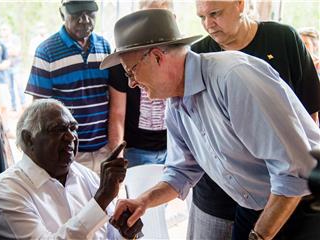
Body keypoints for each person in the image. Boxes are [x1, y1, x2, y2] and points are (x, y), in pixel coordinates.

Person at [100, 9, 320, 240]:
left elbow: (294, 171)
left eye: (131, 72)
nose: (132, 83)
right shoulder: (175, 105)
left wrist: (258, 237)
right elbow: (181, 172)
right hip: (253, 206)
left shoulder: (233, 77)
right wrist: (142, 201)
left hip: (300, 205)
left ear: (157, 57)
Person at [188, 1, 320, 238]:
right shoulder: (197, 55)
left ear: (240, 4)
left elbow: (308, 114)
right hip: (215, 197)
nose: (209, 24)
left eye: (215, 14)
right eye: (202, 17)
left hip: (278, 196)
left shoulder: (283, 39)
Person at [0, 99, 141, 239]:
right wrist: (100, 200)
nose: (71, 137)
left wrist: (124, 231)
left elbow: (109, 234)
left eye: (73, 128)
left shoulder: (84, 175)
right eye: (59, 129)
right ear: (29, 139)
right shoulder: (5, 193)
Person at [25, 0, 112, 174]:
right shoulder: (46, 51)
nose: (84, 19)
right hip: (68, 151)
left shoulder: (104, 46)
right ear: (62, 13)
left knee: (105, 199)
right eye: (77, 13)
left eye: (90, 13)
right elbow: (39, 109)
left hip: (103, 149)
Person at [108, 0, 173, 167]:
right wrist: (118, 155)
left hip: (173, 146)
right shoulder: (123, 59)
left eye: (159, 19)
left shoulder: (177, 55)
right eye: (148, 20)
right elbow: (117, 113)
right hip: (136, 149)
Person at [0, 23, 26, 112]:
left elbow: (16, 52)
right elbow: (1, 55)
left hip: (16, 65)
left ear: (9, 30)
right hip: (6, 67)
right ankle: (14, 106)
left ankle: (23, 105)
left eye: (5, 29)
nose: (3, 31)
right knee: (10, 88)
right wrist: (9, 51)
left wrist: (8, 52)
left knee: (19, 86)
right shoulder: (0, 41)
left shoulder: (15, 39)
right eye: (2, 30)